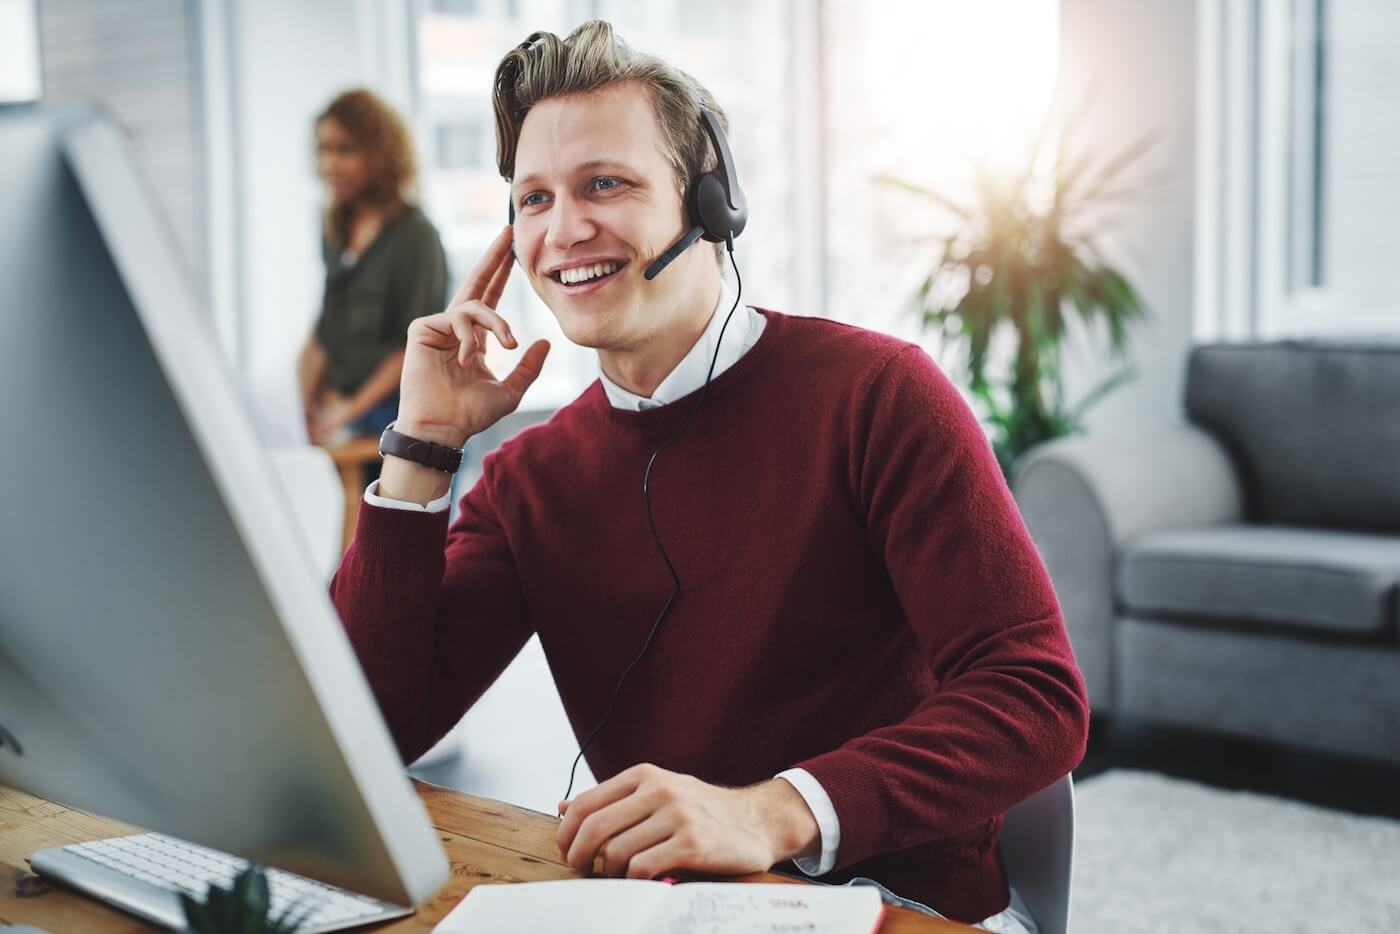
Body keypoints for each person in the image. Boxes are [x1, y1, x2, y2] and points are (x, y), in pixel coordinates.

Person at [329, 21, 1087, 932]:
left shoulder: (878, 396)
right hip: (676, 909)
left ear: (711, 204)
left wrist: (772, 809)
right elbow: (367, 739)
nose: (564, 229)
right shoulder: (531, 476)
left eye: (605, 183)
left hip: (901, 905)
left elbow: (1035, 695)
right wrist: (420, 448)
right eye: (533, 199)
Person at [298, 88, 447, 446]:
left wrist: (349, 411)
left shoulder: (417, 237)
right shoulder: (334, 227)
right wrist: (304, 407)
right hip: (345, 411)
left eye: (344, 150)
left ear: (379, 154)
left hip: (403, 415)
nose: (329, 164)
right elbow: (326, 327)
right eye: (323, 150)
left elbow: (412, 347)